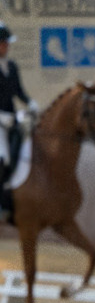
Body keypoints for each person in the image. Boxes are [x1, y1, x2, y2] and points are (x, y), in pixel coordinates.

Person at [0, 22, 38, 185]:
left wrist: (30, 103)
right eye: (4, 43)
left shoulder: (12, 66)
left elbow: (18, 90)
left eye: (7, 43)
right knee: (2, 156)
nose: (7, 46)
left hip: (12, 115)